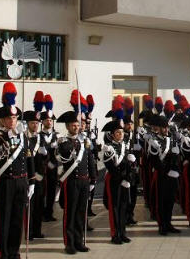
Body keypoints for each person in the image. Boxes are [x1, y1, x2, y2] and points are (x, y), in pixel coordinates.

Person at [0, 82, 34, 259]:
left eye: (14, 118)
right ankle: (2, 253)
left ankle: (14, 252)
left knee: (16, 221)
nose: (12, 121)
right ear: (2, 120)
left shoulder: (22, 137)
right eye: (8, 119)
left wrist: (32, 181)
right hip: (5, 181)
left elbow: (29, 159)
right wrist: (3, 142)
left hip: (21, 181)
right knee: (3, 220)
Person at [56, 90, 97, 254]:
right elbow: (64, 154)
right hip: (71, 181)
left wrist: (93, 178)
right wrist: (76, 143)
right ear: (67, 126)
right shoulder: (64, 141)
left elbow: (90, 160)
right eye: (73, 125)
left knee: (82, 212)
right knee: (70, 213)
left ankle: (79, 241)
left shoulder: (85, 140)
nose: (76, 126)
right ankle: (69, 243)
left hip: (84, 180)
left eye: (77, 124)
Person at [101, 116, 135, 244]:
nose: (120, 135)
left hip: (125, 181)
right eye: (118, 133)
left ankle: (123, 233)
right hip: (114, 180)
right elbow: (111, 167)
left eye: (121, 132)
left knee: (123, 207)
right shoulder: (108, 148)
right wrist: (122, 179)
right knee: (114, 207)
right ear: (112, 135)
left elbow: (129, 165)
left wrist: (128, 177)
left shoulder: (126, 146)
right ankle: (115, 234)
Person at [147, 112, 182, 235]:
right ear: (159, 128)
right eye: (164, 127)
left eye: (167, 127)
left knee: (170, 200)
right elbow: (154, 161)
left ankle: (168, 223)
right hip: (161, 175)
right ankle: (162, 225)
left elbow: (177, 157)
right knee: (161, 201)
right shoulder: (154, 141)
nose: (166, 129)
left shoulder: (171, 140)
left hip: (172, 175)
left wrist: (176, 162)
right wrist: (167, 171)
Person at [25, 101, 46, 240]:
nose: (35, 125)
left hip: (39, 176)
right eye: (33, 123)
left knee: (39, 204)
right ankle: (29, 232)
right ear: (27, 123)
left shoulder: (40, 138)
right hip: (27, 176)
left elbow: (44, 159)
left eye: (37, 123)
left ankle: (37, 230)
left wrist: (45, 154)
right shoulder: (24, 138)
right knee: (29, 206)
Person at [39, 94, 60, 222]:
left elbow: (60, 153)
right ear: (43, 122)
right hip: (42, 168)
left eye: (51, 120)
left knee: (52, 191)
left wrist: (55, 161)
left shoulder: (57, 136)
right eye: (47, 120)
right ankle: (41, 212)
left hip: (53, 168)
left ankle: (49, 212)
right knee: (41, 192)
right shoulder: (39, 135)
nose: (49, 122)